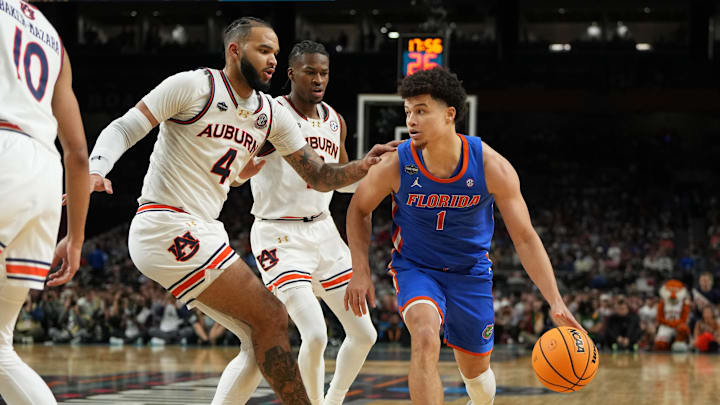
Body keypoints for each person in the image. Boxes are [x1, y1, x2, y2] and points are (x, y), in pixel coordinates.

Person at [86, 17, 395, 405]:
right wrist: (97, 167)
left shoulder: (270, 114)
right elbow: (126, 126)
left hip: (206, 227)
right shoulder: (195, 86)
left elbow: (318, 173)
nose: (271, 59)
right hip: (167, 222)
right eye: (263, 50)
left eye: (275, 53)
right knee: (273, 318)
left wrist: (364, 167)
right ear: (235, 50)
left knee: (256, 341)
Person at [344, 67, 583, 405]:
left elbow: (525, 238)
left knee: (478, 379)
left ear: (449, 114)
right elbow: (358, 209)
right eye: (408, 111)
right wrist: (361, 269)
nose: (411, 120)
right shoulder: (397, 165)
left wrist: (555, 300)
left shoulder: (490, 166)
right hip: (417, 268)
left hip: (470, 273)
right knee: (425, 336)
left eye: (422, 110)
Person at [227, 40, 377, 405]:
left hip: (323, 230)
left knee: (364, 333)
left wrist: (382, 174)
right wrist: (237, 174)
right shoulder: (270, 114)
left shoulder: (334, 121)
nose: (318, 79)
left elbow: (342, 183)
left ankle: (333, 399)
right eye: (310, 72)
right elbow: (233, 171)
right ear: (291, 73)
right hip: (279, 235)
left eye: (324, 73)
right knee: (315, 334)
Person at [1, 0, 91, 403]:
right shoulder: (53, 39)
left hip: (3, 150)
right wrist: (74, 239)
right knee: (1, 349)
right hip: (43, 168)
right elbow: (78, 154)